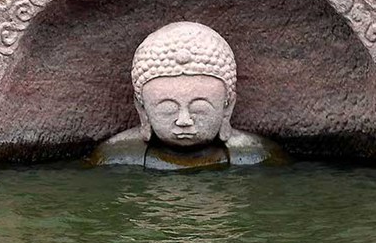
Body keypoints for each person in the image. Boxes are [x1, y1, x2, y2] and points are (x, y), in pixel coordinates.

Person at [88, 21, 288, 170]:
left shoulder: (258, 157)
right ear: (143, 110)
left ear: (227, 107)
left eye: (200, 109)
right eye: (167, 110)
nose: (184, 121)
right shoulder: (117, 158)